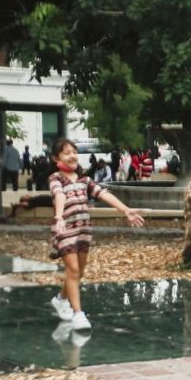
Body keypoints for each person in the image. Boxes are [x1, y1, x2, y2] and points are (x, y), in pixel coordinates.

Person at [48, 138, 146, 332]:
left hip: (84, 230)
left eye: (74, 152)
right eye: (66, 153)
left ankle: (61, 299)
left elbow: (103, 194)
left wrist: (125, 210)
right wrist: (58, 217)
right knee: (73, 271)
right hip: (65, 230)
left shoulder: (85, 180)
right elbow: (59, 195)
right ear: (56, 158)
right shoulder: (55, 178)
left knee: (79, 272)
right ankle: (78, 314)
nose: (72, 155)